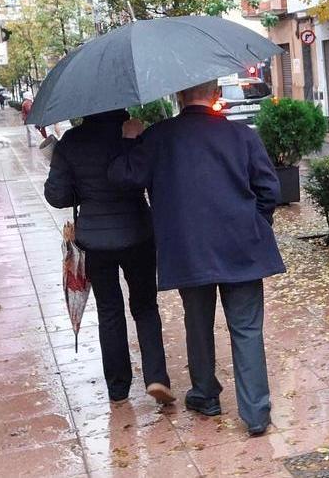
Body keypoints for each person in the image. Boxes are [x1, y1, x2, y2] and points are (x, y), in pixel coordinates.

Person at [109, 81, 283, 436]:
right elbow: (269, 189)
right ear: (217, 92)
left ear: (178, 95)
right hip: (242, 247)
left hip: (189, 249)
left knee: (197, 323)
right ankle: (256, 414)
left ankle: (206, 394)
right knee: (247, 329)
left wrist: (129, 139)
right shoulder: (242, 135)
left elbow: (124, 176)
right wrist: (253, 224)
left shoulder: (159, 137)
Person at [43, 109, 174, 405]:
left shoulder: (71, 142)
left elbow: (57, 196)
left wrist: (72, 178)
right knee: (144, 305)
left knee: (109, 311)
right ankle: (156, 377)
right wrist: (132, 142)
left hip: (95, 240)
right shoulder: (133, 132)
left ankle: (117, 387)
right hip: (137, 234)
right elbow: (147, 175)